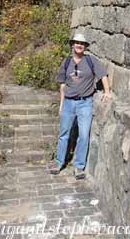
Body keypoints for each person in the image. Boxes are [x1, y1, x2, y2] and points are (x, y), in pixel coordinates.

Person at [48, 32, 111, 179]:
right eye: (77, 43)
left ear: (85, 46)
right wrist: (62, 104)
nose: (79, 45)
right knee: (64, 134)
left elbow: (102, 75)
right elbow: (63, 84)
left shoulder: (91, 61)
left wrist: (107, 91)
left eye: (82, 43)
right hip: (69, 102)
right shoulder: (67, 62)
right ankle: (59, 162)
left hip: (85, 103)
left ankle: (79, 166)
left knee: (83, 135)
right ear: (72, 44)